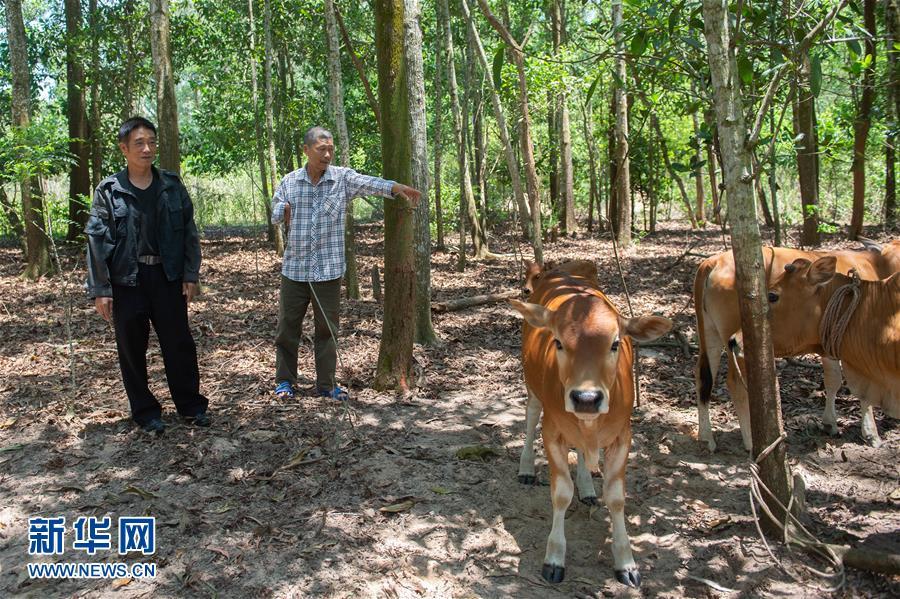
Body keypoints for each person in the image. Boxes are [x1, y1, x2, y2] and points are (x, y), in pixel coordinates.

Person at [271, 126, 421, 401]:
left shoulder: (342, 178)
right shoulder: (290, 181)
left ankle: (326, 385)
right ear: (306, 150)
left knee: (327, 330)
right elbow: (275, 212)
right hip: (294, 271)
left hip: (328, 272)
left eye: (330, 149)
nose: (327, 154)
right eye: (321, 149)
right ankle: (284, 382)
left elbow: (370, 183)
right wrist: (284, 210)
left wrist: (396, 187)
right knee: (287, 329)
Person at [85, 116, 209, 435]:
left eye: (152, 142)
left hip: (167, 277)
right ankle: (145, 411)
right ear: (124, 148)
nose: (147, 148)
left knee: (179, 344)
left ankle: (191, 406)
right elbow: (97, 241)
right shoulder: (109, 190)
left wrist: (190, 274)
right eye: (139, 143)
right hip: (128, 281)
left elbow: (189, 234)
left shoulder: (171, 184)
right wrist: (101, 289)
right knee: (131, 347)